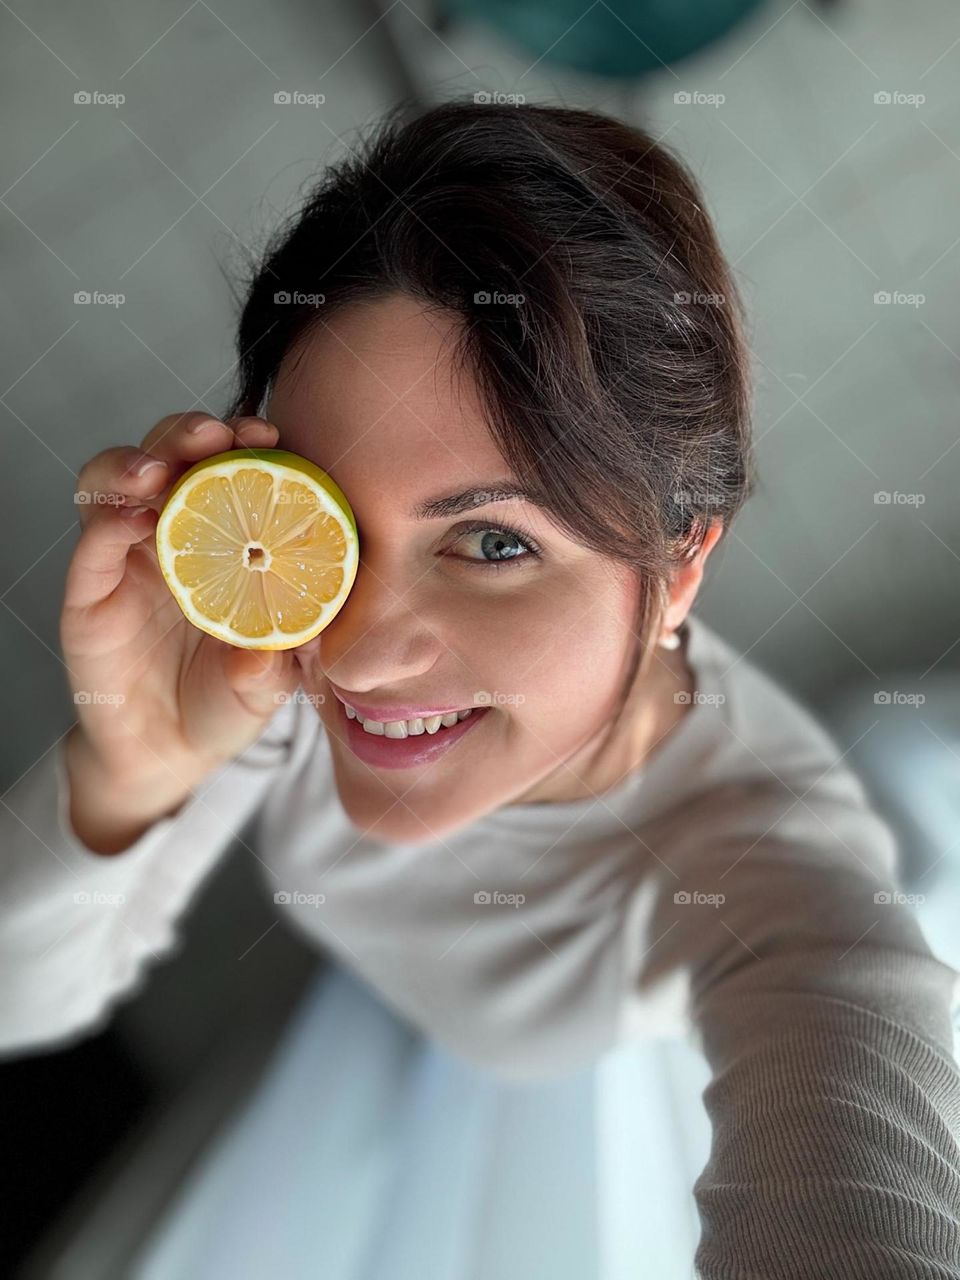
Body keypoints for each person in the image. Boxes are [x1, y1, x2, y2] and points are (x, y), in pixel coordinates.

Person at [2, 99, 959, 1278]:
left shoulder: (764, 870)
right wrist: (127, 770)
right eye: (329, 528)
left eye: (494, 543)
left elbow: (854, 1124)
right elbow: (17, 1000)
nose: (351, 656)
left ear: (681, 564)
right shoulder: (261, 670)